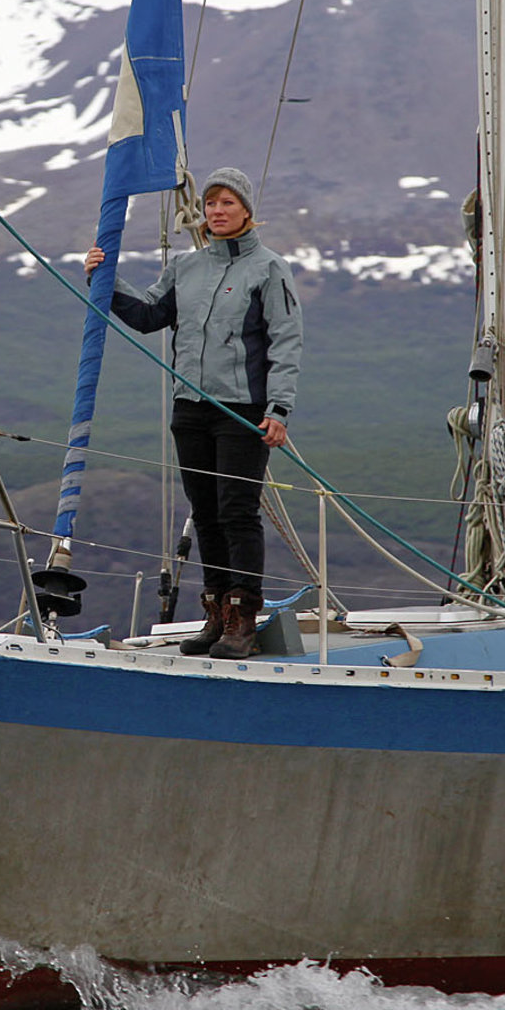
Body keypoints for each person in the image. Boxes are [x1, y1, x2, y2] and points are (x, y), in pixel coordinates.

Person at [84, 166, 303, 659]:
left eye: (227, 203)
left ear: (247, 210)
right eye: (211, 204)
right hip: (191, 409)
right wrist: (106, 276)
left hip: (243, 410)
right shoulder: (186, 267)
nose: (217, 212)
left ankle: (242, 620)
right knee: (205, 514)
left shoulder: (269, 268)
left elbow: (286, 342)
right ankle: (215, 616)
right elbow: (146, 316)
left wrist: (279, 408)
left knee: (236, 512)